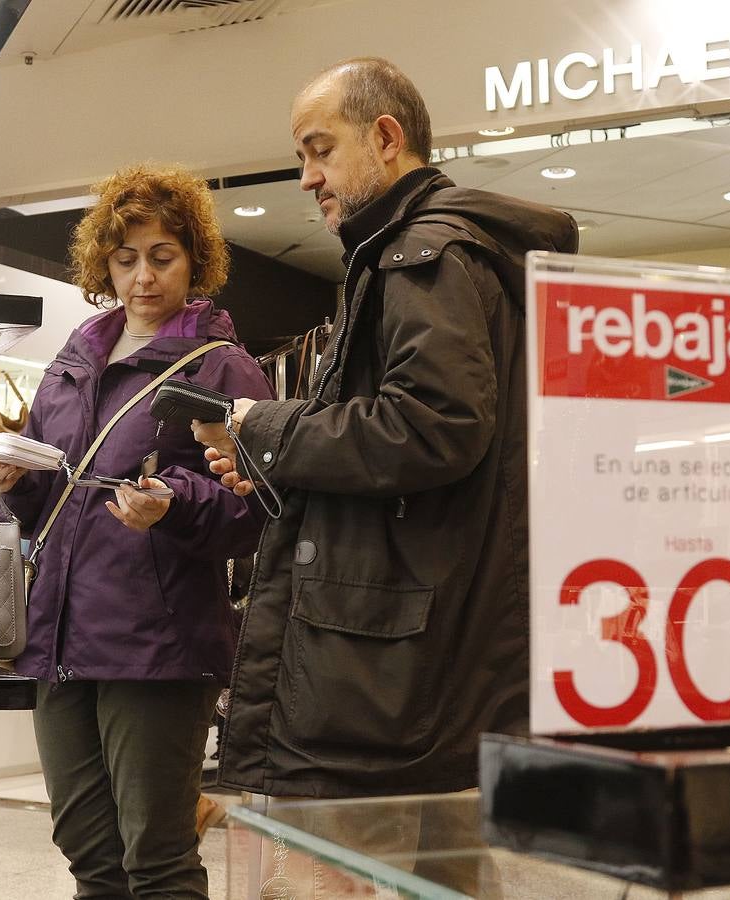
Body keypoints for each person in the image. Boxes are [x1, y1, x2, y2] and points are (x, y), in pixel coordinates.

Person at [194, 57, 579, 799]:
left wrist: (266, 425)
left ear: (386, 135)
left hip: (392, 665)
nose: (308, 177)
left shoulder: (419, 258)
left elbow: (432, 426)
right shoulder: (437, 255)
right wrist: (280, 460)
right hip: (430, 643)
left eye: (320, 148)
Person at [0, 164, 273, 900]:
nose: (143, 276)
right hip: (58, 634)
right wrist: (16, 485)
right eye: (126, 259)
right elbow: (49, 499)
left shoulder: (222, 368)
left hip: (160, 642)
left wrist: (173, 503)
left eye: (161, 257)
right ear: (103, 263)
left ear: (193, 259)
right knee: (87, 850)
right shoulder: (75, 358)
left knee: (157, 858)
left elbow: (256, 509)